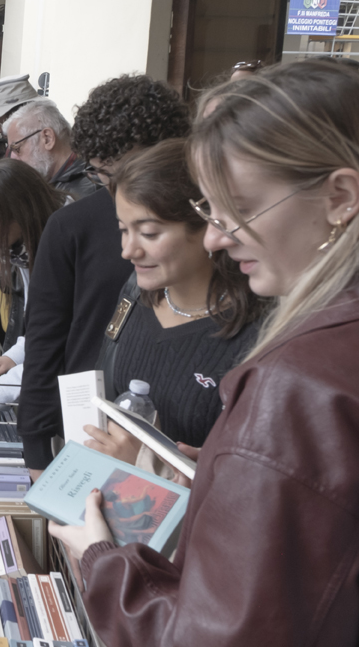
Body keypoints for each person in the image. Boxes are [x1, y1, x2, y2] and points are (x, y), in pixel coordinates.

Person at [53, 59, 359, 646]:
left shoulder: (297, 381)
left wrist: (102, 560)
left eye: (239, 209)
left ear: (340, 196)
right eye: (211, 213)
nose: (219, 237)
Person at [15, 75, 190, 475]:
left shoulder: (210, 233)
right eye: (102, 176)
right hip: (88, 428)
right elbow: (45, 339)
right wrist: (37, 448)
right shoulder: (71, 226)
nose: (119, 193)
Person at [80, 138, 263, 470]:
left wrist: (151, 467)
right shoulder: (136, 291)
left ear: (209, 227)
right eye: (123, 230)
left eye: (149, 234)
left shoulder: (256, 337)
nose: (129, 250)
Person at [0, 160, 65, 419]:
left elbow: (58, 335)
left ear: (18, 213)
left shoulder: (59, 248)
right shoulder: (28, 249)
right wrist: (16, 356)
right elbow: (43, 324)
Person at [3, 98, 97, 200]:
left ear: (47, 138)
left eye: (16, 148)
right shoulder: (82, 174)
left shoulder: (80, 194)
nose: (12, 158)